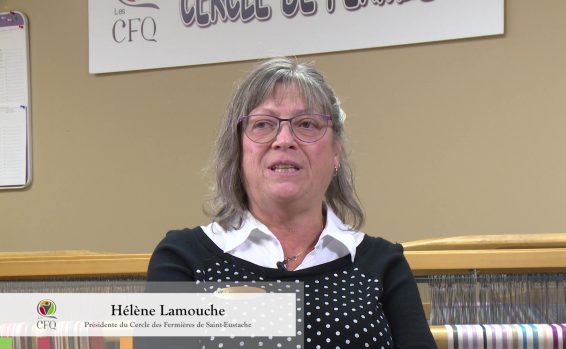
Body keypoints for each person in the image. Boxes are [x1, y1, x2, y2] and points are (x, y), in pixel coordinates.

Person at [146, 57, 437, 348]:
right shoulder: (183, 259)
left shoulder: (383, 265)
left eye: (307, 124)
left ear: (336, 151)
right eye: (263, 124)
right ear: (238, 150)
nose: (284, 140)